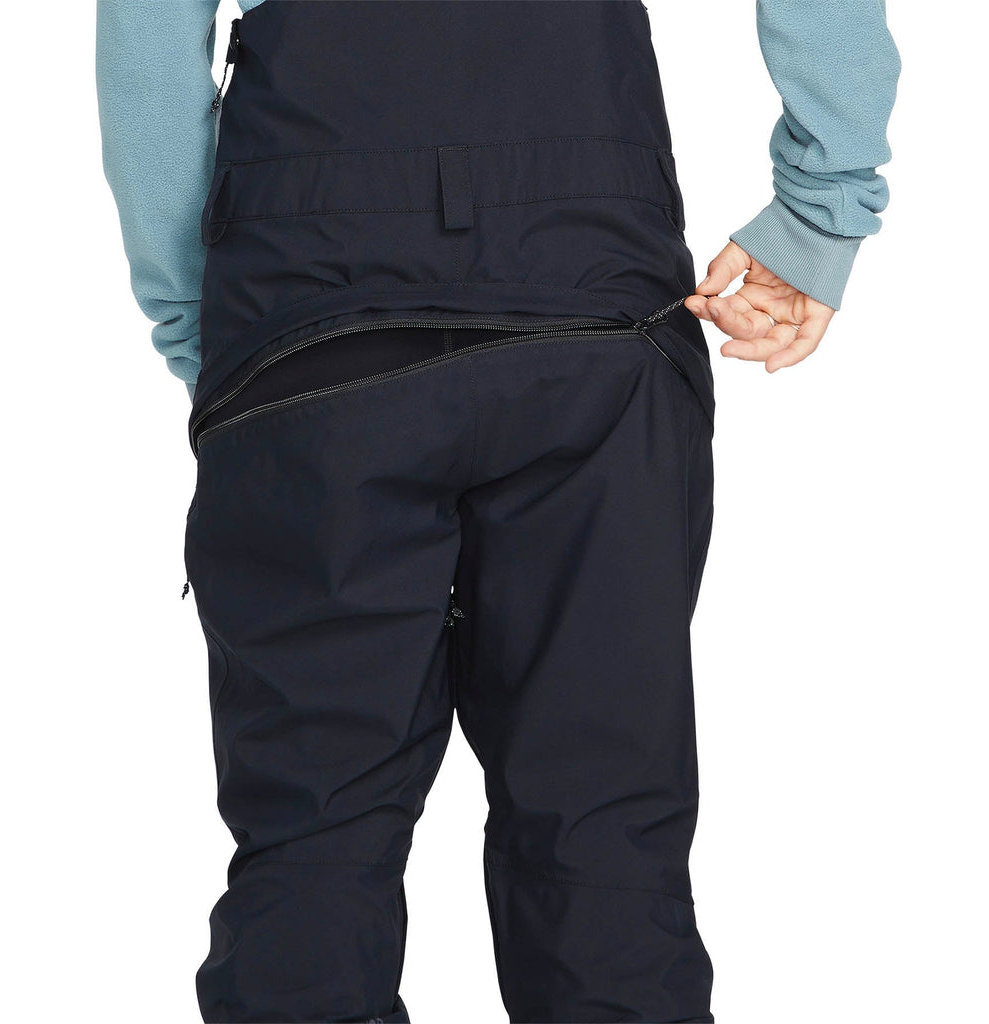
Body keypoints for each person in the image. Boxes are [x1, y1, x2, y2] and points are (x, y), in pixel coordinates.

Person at [96, 2, 900, 1022]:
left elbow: (148, 50)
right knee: (603, 830)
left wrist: (212, 332)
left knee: (313, 842)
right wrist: (820, 208)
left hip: (313, 317)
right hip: (592, 300)